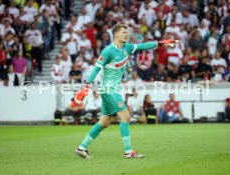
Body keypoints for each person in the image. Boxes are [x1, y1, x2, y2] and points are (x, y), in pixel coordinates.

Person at [74, 24, 178, 158]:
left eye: (127, 32)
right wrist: (86, 86)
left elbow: (142, 46)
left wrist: (161, 43)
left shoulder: (126, 47)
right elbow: (96, 69)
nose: (126, 34)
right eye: (123, 32)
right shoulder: (108, 51)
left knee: (104, 122)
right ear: (116, 34)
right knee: (126, 116)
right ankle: (128, 151)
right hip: (108, 89)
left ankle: (81, 148)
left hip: (113, 89)